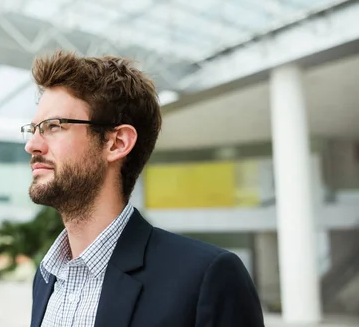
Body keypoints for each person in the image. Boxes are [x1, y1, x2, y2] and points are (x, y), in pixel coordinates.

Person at [22, 50, 264, 327]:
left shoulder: (206, 277)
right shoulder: (46, 278)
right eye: (33, 130)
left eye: (53, 126)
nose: (32, 145)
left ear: (117, 143)